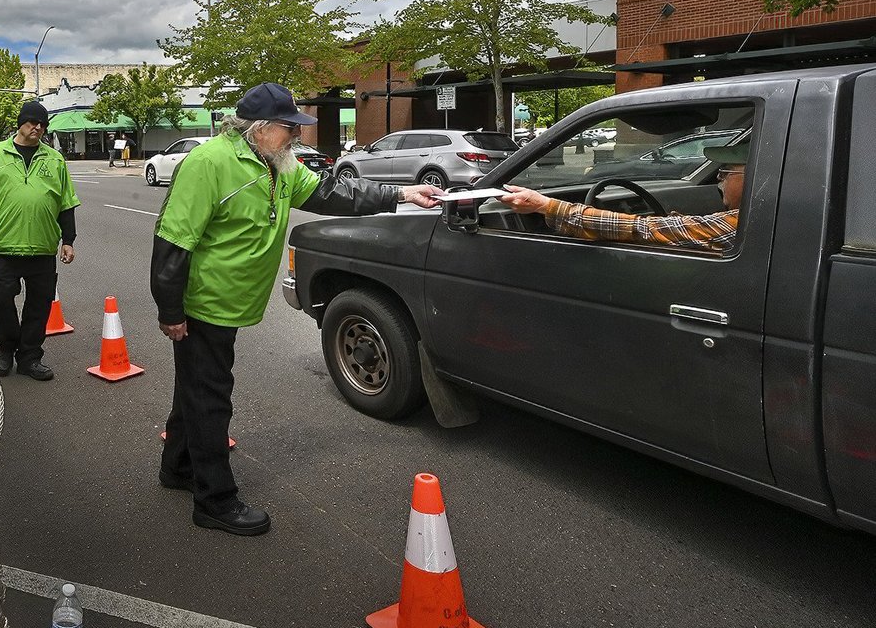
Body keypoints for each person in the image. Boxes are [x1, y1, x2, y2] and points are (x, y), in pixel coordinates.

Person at [150, 83, 443, 536]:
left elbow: (332, 194)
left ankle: (178, 467)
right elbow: (173, 239)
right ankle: (214, 499)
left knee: (196, 386)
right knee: (210, 398)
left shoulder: (278, 164)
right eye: (290, 128)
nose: (296, 137)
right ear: (260, 128)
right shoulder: (209, 163)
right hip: (205, 302)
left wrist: (402, 195)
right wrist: (171, 310)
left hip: (232, 302)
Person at [0, 101, 80, 381]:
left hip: (41, 247)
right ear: (20, 123)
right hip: (4, 246)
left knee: (39, 306)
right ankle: (7, 347)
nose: (37, 128)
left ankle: (29, 357)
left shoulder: (54, 159)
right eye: (31, 122)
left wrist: (68, 239)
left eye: (42, 124)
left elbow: (66, 203)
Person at [498, 143, 746, 253]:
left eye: (726, 172)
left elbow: (642, 229)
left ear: (754, 175)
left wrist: (545, 205)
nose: (719, 179)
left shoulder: (739, 223)